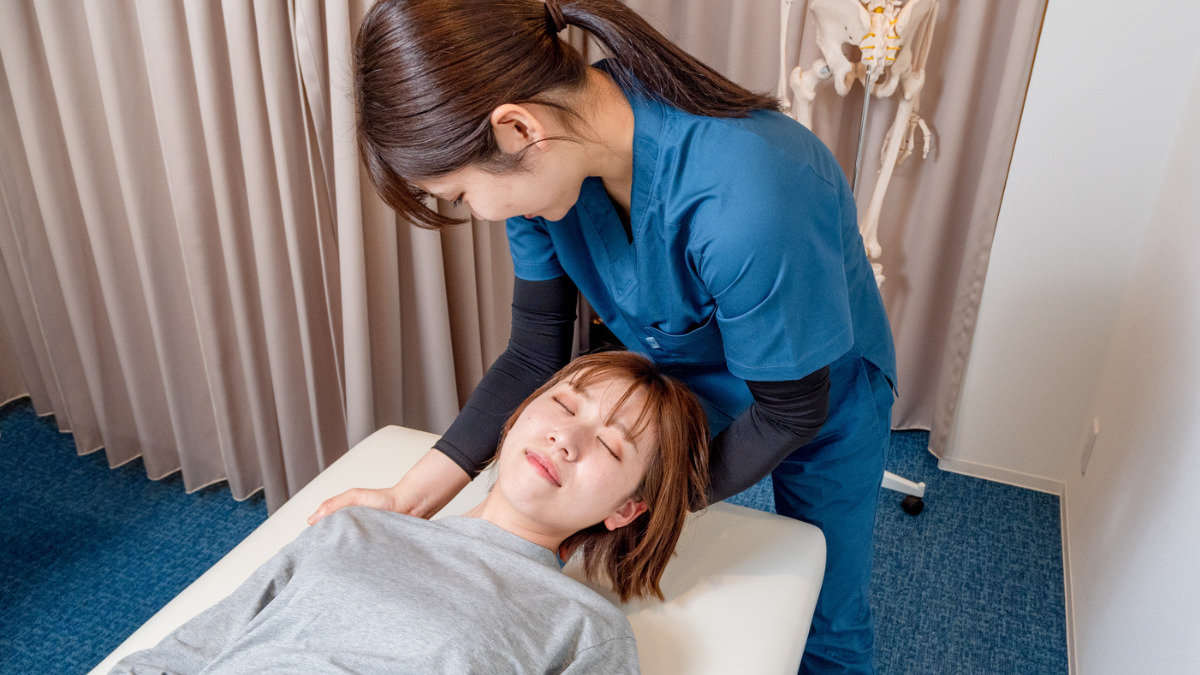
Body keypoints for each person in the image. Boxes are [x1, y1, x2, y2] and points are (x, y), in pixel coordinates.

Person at [310, 1, 897, 672]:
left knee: (828, 614)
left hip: (819, 394)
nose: (479, 213)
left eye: (461, 196)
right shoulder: (551, 164)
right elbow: (534, 350)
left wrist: (640, 499)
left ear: (516, 129)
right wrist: (405, 499)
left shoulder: (747, 199)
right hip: (676, 379)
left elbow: (791, 411)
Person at [113, 352, 710, 674]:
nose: (566, 439)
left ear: (626, 510)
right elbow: (188, 653)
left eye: (610, 445)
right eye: (564, 405)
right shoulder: (355, 527)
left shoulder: (584, 628)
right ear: (516, 415)